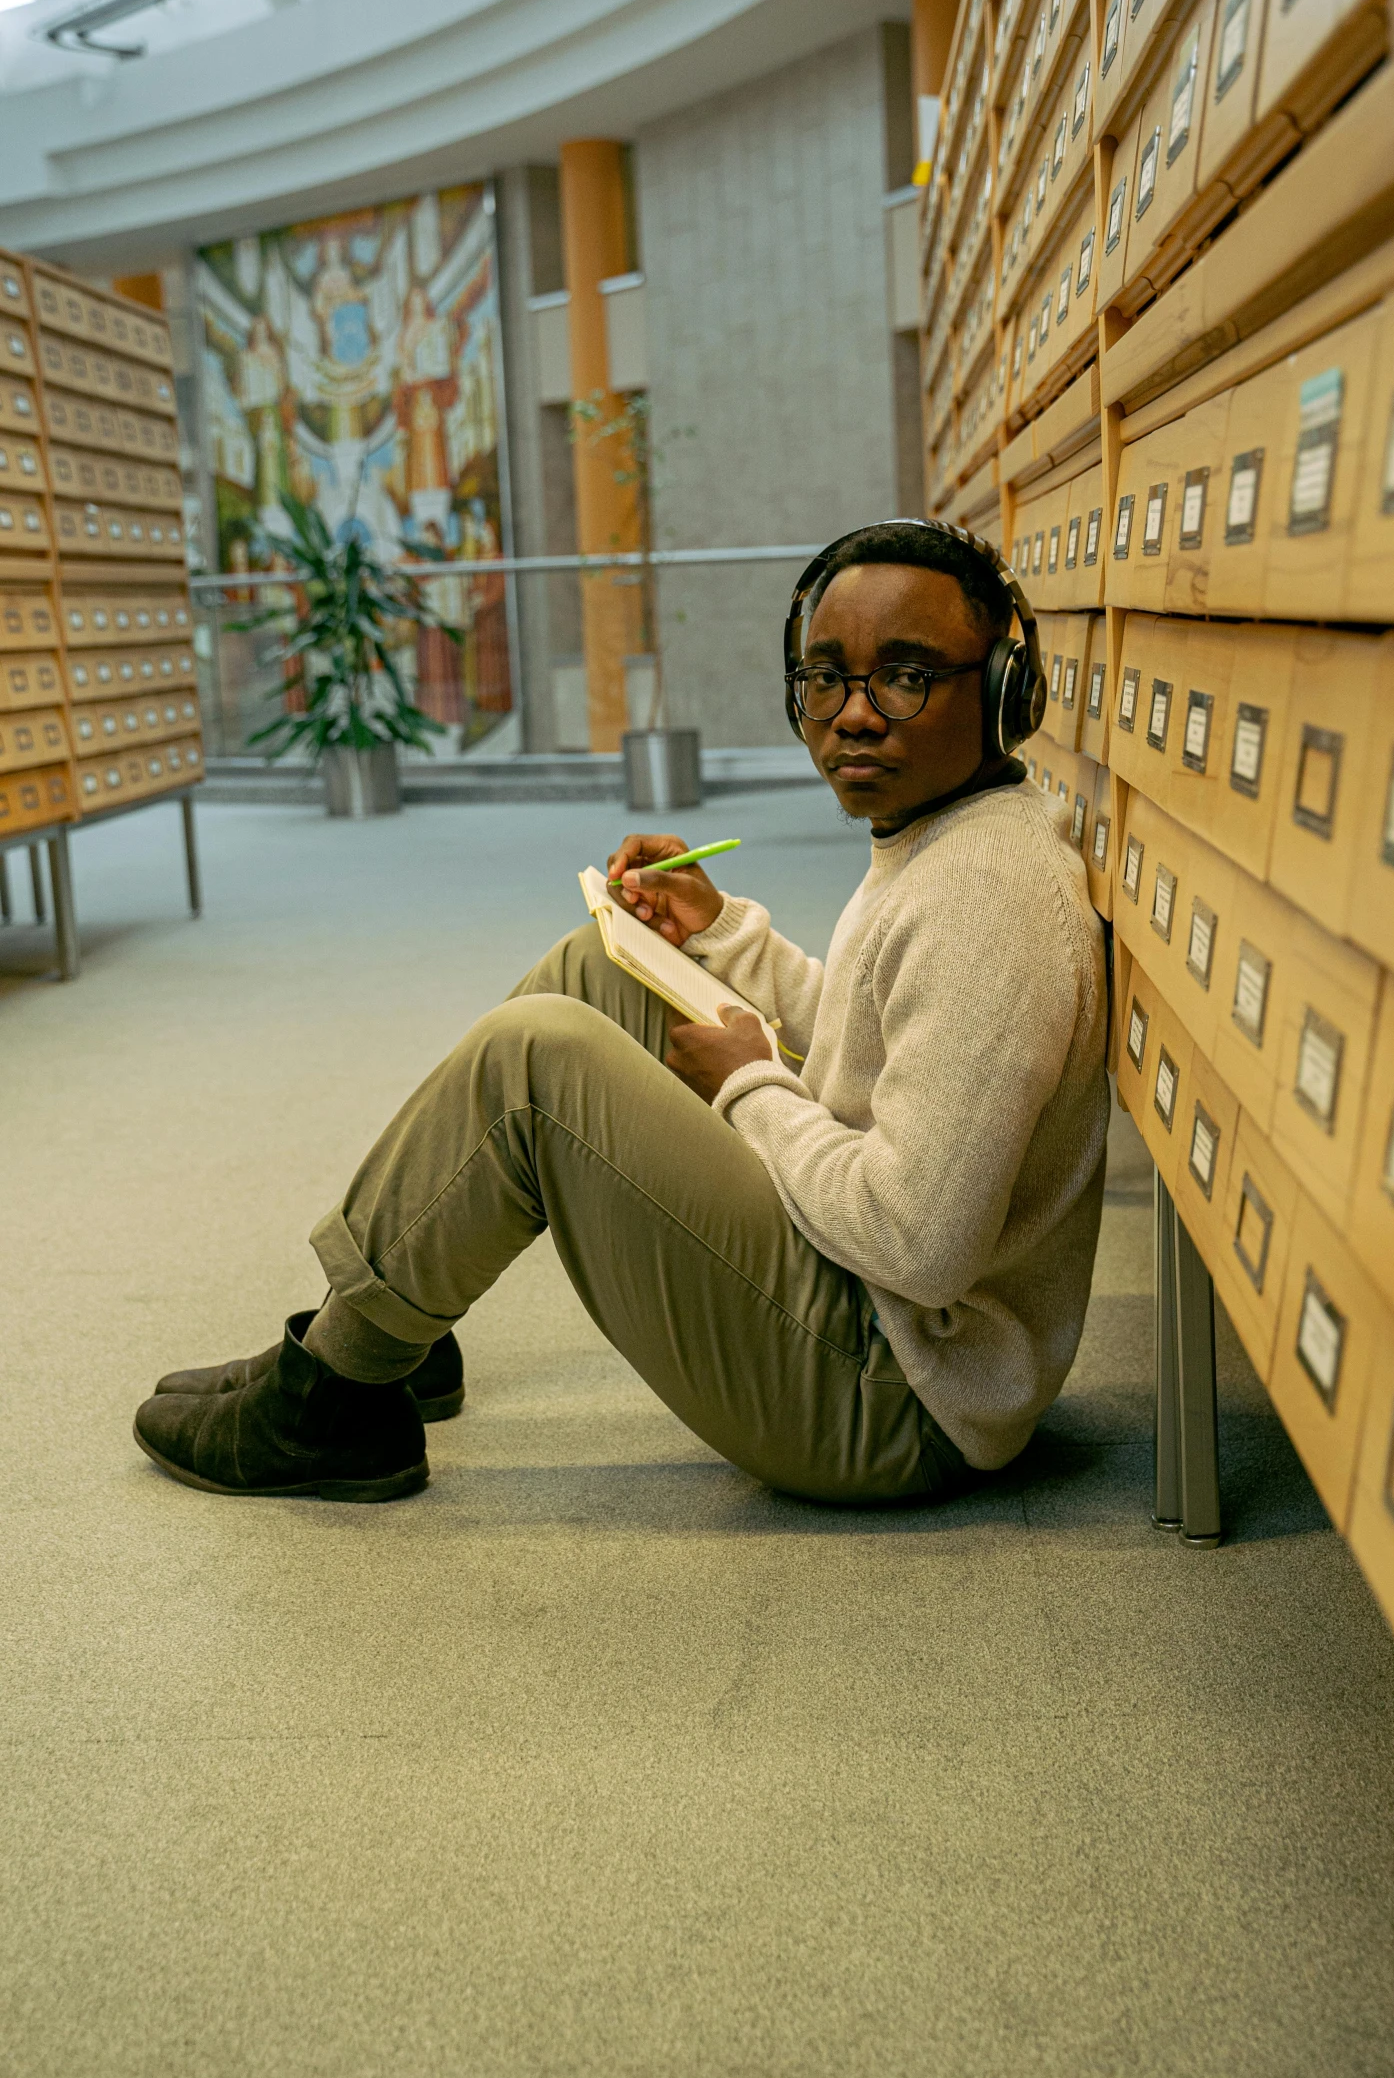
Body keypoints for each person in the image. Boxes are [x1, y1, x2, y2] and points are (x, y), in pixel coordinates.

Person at [134, 521, 1109, 1507]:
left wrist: (748, 1085)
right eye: (825, 677)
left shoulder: (987, 896)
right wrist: (724, 935)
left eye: (904, 675)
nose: (853, 716)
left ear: (1000, 691)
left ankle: (332, 1400)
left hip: (896, 1398)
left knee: (535, 1060)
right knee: (598, 968)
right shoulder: (946, 835)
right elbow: (882, 1041)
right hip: (872, 1324)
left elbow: (917, 1245)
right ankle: (385, 1334)